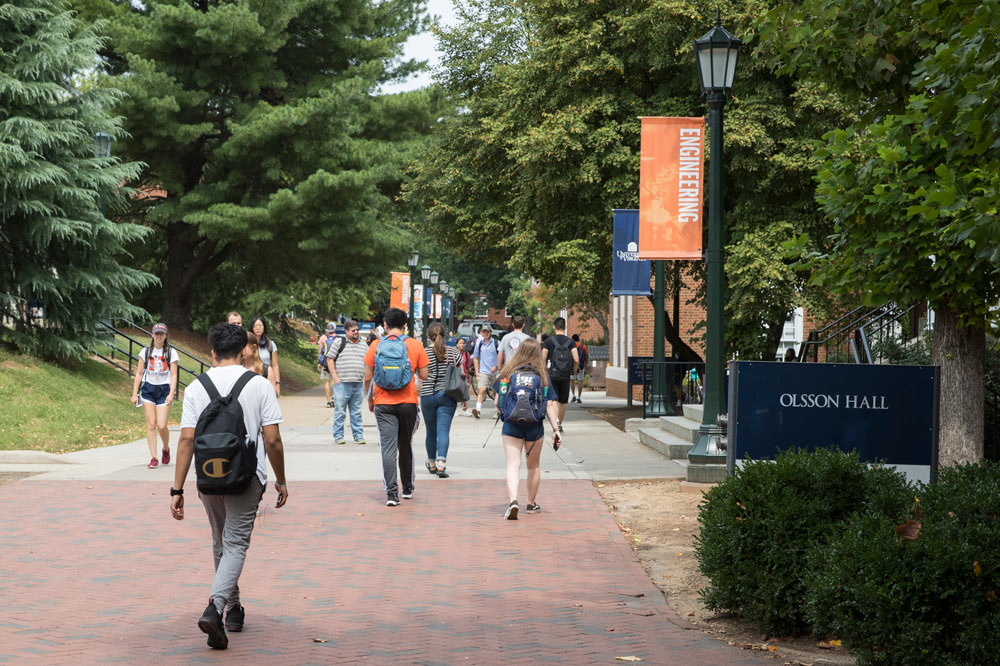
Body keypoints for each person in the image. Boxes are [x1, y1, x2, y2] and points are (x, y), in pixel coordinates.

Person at [170, 323, 287, 651]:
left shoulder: (195, 387)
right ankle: (215, 606)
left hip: (208, 476)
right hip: (247, 476)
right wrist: (282, 480)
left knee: (221, 542)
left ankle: (233, 610)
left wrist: (176, 489)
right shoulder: (259, 385)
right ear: (245, 350)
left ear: (212, 353)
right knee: (235, 543)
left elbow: (186, 440)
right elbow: (273, 440)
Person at [364, 307, 429, 506]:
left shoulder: (376, 345)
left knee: (388, 447)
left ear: (385, 325)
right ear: (405, 325)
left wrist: (370, 399)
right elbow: (424, 376)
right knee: (405, 443)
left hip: (383, 402)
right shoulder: (415, 345)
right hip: (408, 402)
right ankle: (407, 488)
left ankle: (391, 493)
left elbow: (367, 376)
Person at [496, 338, 562, 519]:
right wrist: (556, 429)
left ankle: (513, 501)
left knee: (513, 465)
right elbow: (549, 404)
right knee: (533, 466)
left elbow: (498, 402)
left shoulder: (508, 372)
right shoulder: (542, 375)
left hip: (511, 425)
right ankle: (531, 504)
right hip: (535, 427)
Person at [130, 322, 179, 468]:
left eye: (161, 334)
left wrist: (171, 393)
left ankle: (165, 448)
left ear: (165, 336)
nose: (159, 336)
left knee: (162, 425)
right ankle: (154, 457)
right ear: (152, 335)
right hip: (148, 389)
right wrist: (134, 394)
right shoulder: (145, 351)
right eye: (156, 333)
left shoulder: (171, 352)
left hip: (164, 389)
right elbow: (139, 374)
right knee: (151, 424)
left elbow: (174, 374)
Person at [420, 322, 459, 478]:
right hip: (448, 394)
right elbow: (460, 374)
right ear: (444, 334)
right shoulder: (453, 352)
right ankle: (442, 462)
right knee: (443, 430)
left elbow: (420, 374)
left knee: (430, 431)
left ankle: (431, 463)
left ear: (428, 336)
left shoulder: (423, 353)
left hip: (428, 395)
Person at [327, 319, 369, 445]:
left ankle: (358, 435)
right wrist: (335, 377)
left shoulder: (363, 344)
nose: (356, 332)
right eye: (353, 330)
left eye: (357, 330)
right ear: (346, 331)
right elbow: (330, 359)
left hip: (357, 383)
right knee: (340, 411)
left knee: (356, 412)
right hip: (342, 383)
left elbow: (367, 362)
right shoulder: (339, 342)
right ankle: (338, 436)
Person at [541, 317, 578, 432]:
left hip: (552, 374)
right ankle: (559, 423)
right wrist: (574, 371)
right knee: (563, 401)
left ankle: (555, 423)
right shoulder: (571, 342)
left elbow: (543, 358)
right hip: (565, 374)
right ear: (565, 327)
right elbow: (576, 359)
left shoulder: (548, 341)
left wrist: (543, 372)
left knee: (554, 400)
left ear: (554, 327)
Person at [470, 326, 499, 419]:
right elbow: (475, 358)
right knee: (481, 390)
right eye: (484, 332)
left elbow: (502, 356)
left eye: (487, 332)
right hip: (483, 371)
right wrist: (477, 371)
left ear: (491, 332)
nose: (486, 333)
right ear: (481, 333)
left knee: (495, 391)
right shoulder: (479, 343)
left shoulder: (496, 343)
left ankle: (496, 411)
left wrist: (497, 366)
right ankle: (477, 410)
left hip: (495, 372)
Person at [250, 318, 280, 397]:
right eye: (255, 326)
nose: (258, 328)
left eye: (260, 325)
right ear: (251, 328)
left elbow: (275, 365)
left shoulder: (271, 344)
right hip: (251, 379)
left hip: (267, 378)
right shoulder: (246, 345)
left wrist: (277, 384)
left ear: (264, 327)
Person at [318, 322, 338, 407]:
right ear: (335, 329)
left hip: (325, 362)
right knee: (336, 381)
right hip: (336, 362)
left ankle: (328, 401)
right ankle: (334, 397)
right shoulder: (338, 339)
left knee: (327, 382)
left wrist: (319, 362)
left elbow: (320, 352)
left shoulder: (323, 338)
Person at [455, 337, 474, 416]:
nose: (462, 345)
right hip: (455, 376)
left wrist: (469, 377)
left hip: (464, 376)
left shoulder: (466, 354)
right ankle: (455, 410)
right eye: (460, 343)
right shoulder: (453, 353)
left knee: (465, 393)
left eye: (463, 343)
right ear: (457, 344)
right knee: (455, 393)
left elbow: (468, 367)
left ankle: (465, 410)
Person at [570, 333, 589, 404]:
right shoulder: (583, 346)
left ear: (572, 339)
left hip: (572, 366)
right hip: (580, 366)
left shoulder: (570, 346)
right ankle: (579, 397)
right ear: (578, 339)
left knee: (572, 380)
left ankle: (573, 395)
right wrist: (586, 365)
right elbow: (586, 356)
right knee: (580, 381)